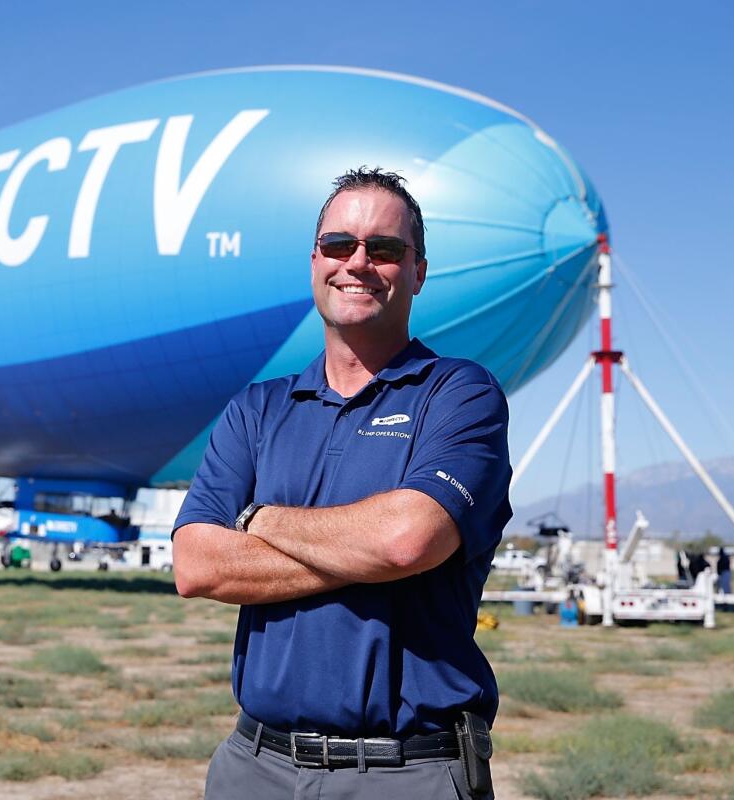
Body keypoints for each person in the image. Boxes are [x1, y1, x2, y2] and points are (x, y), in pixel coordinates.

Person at [172, 168, 511, 800]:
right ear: (314, 261)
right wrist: (368, 547)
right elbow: (196, 566)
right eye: (339, 245)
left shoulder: (460, 394)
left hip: (407, 769)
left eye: (384, 249)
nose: (358, 263)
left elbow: (406, 541)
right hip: (255, 764)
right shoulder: (257, 409)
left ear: (418, 271)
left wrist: (260, 519)